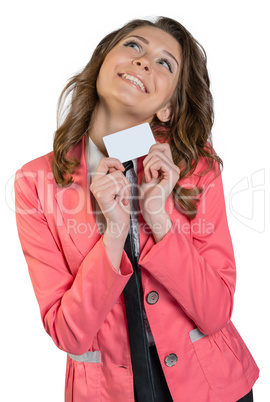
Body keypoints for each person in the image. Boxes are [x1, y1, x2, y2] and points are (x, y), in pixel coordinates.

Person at [14, 16, 259, 402]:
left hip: (214, 387)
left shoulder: (195, 166)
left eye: (165, 63)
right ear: (101, 65)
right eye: (133, 46)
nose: (144, 60)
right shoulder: (35, 182)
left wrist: (159, 218)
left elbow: (215, 312)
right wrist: (114, 235)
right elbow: (69, 333)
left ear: (166, 108)